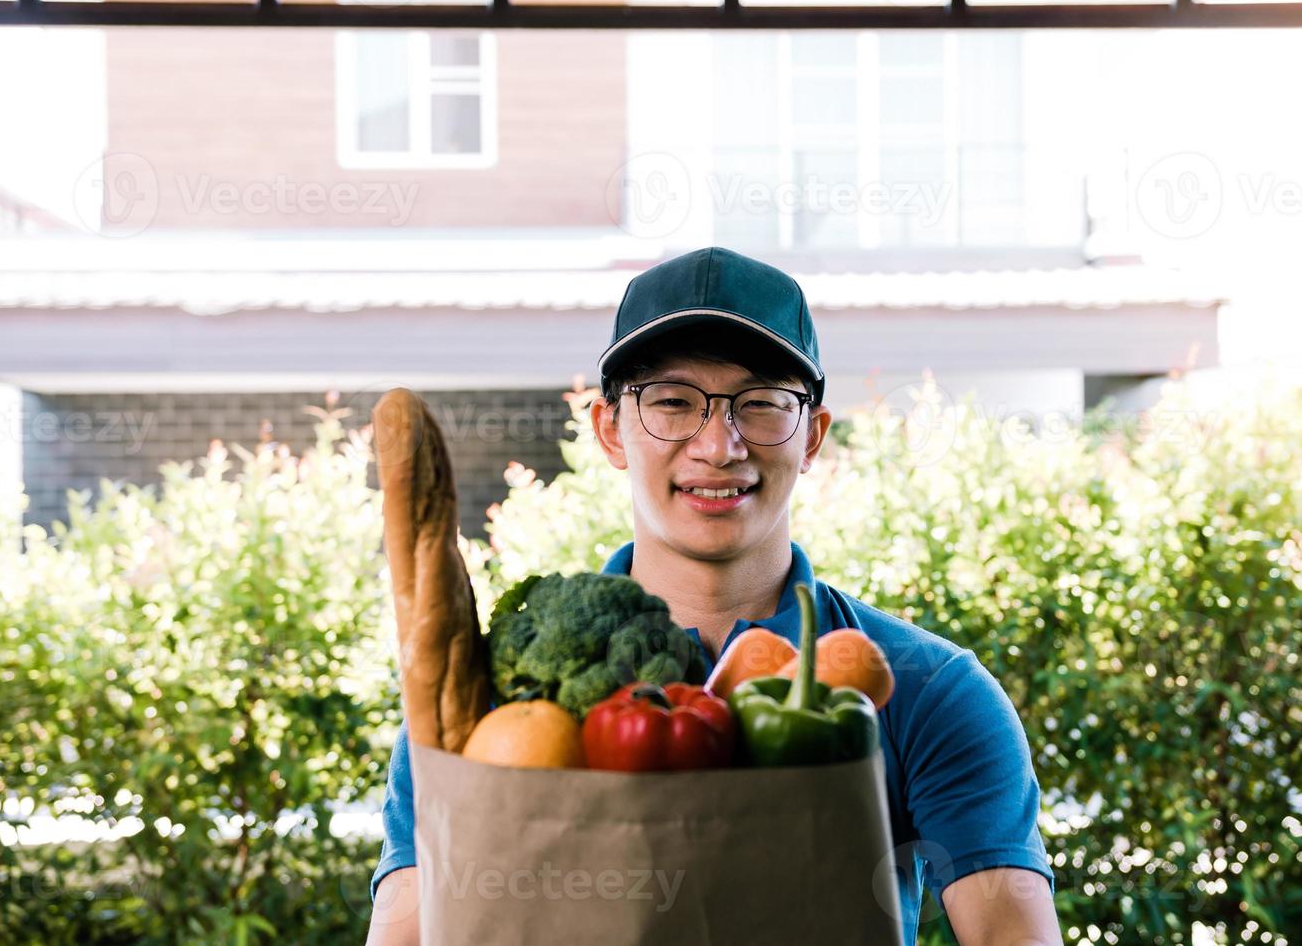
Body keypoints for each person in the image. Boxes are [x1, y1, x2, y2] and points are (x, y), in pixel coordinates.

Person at [366, 247, 1061, 946]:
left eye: (760, 405)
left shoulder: (926, 690)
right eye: (672, 403)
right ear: (611, 430)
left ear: (812, 436)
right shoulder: (487, 698)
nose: (719, 445)